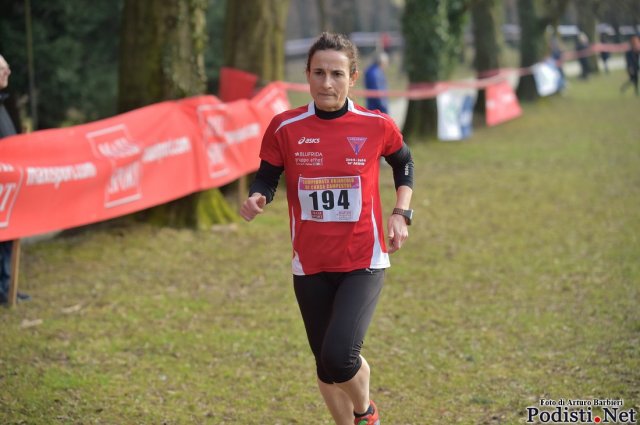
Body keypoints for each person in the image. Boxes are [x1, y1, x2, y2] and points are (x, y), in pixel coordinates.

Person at [240, 32, 414, 425]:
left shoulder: (375, 124)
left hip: (362, 260)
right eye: (318, 73)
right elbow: (267, 176)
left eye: (337, 74)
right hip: (310, 264)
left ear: (352, 77)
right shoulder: (285, 127)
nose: (327, 83)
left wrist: (401, 212)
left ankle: (365, 413)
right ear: (307, 75)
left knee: (339, 357)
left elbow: (404, 163)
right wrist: (257, 196)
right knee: (325, 364)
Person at [0, 54, 30, 306]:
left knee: (8, 236)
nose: (7, 71)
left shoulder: (2, 103)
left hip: (7, 185)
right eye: (2, 68)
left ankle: (7, 285)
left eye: (7, 67)